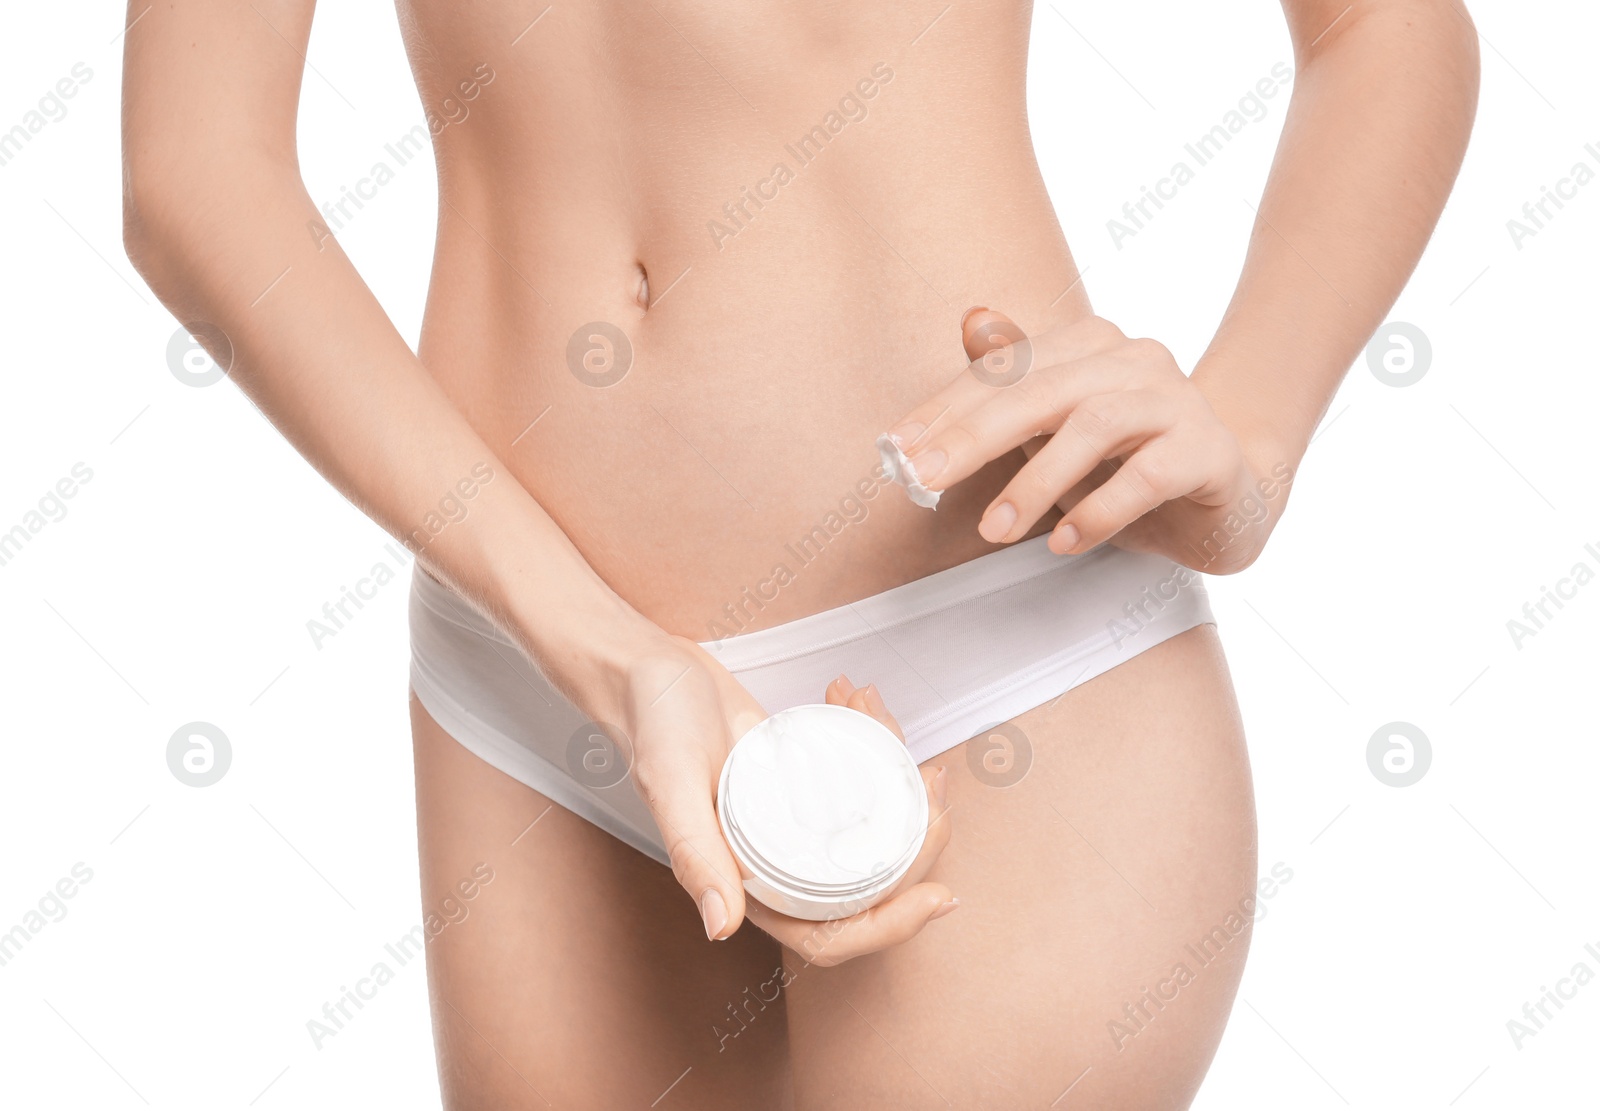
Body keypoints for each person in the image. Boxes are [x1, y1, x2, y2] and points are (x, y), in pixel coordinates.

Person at [121, 1, 1478, 1106]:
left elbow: (1383, 28)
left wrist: (1254, 424)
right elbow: (193, 165)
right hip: (530, 668)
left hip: (990, 627)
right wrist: (607, 653)